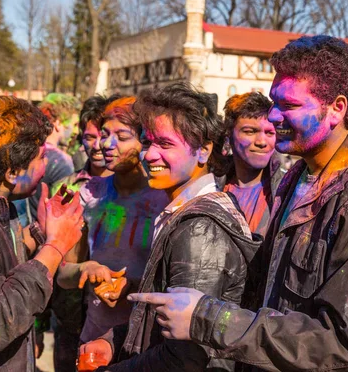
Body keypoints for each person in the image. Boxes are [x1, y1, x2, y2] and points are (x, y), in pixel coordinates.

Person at [129, 35, 348, 371]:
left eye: (289, 105)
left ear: (337, 108)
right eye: (274, 103)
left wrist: (209, 319)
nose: (272, 117)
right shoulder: (299, 175)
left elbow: (342, 343)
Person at [79, 83, 261, 371]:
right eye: (148, 142)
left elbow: (186, 356)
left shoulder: (200, 229)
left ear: (203, 151)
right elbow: (166, 323)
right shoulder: (180, 211)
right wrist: (113, 341)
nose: (149, 155)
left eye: (165, 144)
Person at [55, 97, 168, 344]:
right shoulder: (90, 194)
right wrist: (86, 270)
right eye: (104, 134)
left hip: (144, 342)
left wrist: (132, 285)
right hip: (93, 338)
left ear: (145, 142)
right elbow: (63, 274)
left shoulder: (165, 199)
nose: (107, 144)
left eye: (123, 137)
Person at [0, 96, 84, 372]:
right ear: (12, 172)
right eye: (41, 157)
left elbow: (4, 259)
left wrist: (42, 229)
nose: (47, 165)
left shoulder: (2, 208)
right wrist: (55, 247)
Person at [47, 95, 115, 371]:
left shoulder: (133, 193)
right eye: (89, 137)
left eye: (104, 136)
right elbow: (52, 253)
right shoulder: (66, 187)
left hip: (109, 321)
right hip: (68, 316)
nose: (98, 145)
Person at [219, 91, 285, 237]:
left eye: (269, 133)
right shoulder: (212, 187)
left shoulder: (286, 191)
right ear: (229, 136)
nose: (261, 142)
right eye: (250, 131)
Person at [14, 93, 80, 227]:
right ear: (58, 123)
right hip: (43, 237)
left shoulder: (27, 150)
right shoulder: (62, 161)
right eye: (74, 124)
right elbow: (64, 211)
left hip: (23, 232)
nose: (76, 131)